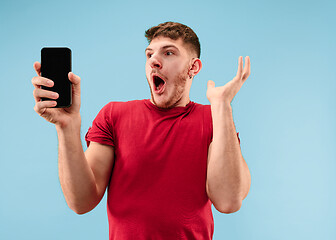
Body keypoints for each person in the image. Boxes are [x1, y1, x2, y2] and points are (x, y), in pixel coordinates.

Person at [32, 22, 251, 240]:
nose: (154, 61)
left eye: (168, 53)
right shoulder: (113, 115)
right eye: (149, 55)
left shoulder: (214, 119)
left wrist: (222, 106)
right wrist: (66, 127)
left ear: (193, 67)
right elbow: (81, 202)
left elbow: (228, 201)